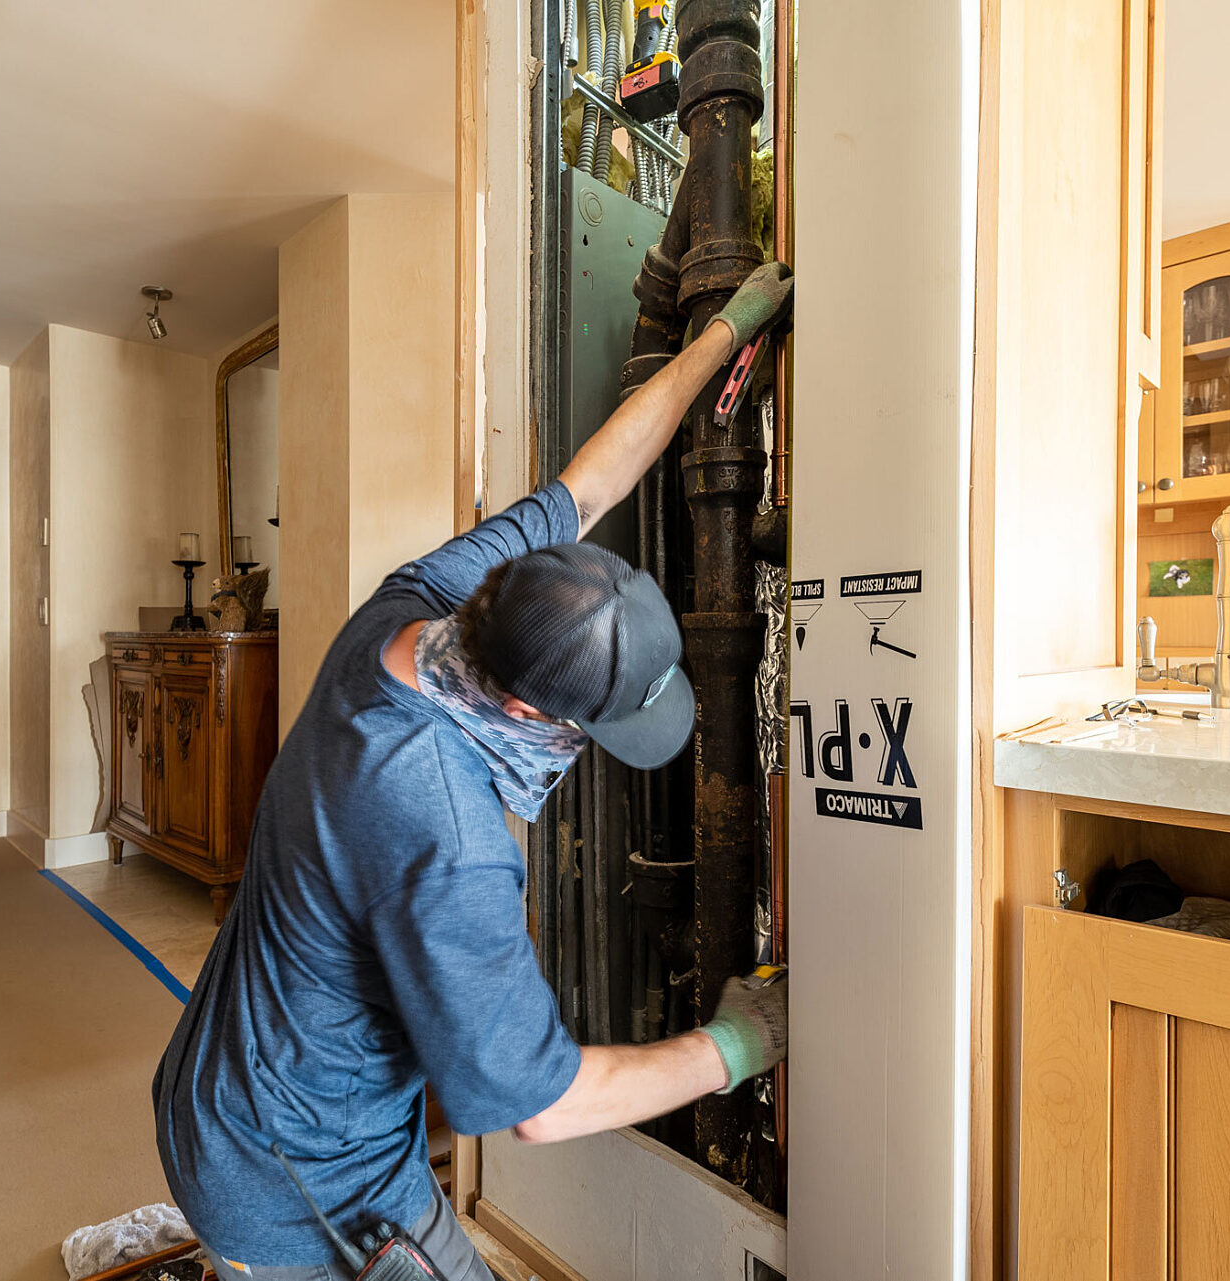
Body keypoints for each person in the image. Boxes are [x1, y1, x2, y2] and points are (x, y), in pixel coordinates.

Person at [154, 262, 795, 1281]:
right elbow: (540, 1107)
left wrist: (726, 336)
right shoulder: (445, 829)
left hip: (221, 1087)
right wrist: (741, 1040)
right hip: (311, 1183)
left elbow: (592, 481)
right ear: (532, 710)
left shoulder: (419, 607)